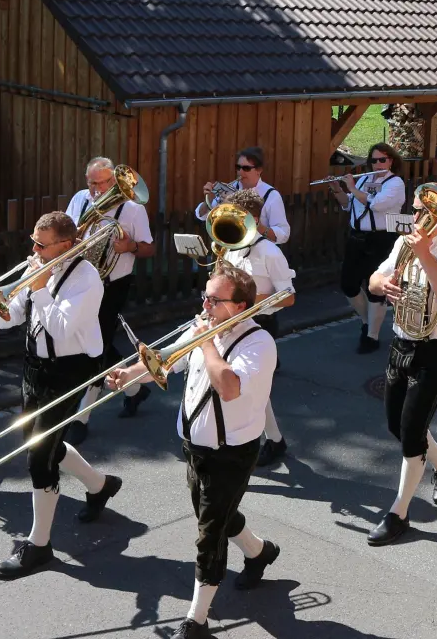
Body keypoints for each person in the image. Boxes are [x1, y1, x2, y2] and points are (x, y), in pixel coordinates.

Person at [105, 266, 280, 637]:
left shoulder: (258, 343)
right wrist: (129, 376)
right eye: (205, 296)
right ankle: (259, 552)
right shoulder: (205, 329)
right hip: (194, 448)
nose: (205, 305)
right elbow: (165, 362)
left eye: (215, 300)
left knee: (209, 535)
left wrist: (206, 343)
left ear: (240, 306)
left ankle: (196, 621)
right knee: (214, 515)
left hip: (231, 452)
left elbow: (229, 387)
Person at [0, 212, 122, 580]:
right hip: (35, 365)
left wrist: (38, 285)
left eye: (41, 244)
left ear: (66, 245)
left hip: (71, 368)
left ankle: (40, 545)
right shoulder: (39, 267)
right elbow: (18, 311)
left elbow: (63, 328)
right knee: (37, 441)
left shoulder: (86, 279)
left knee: (40, 456)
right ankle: (100, 486)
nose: (33, 249)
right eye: (33, 241)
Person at [365, 189, 437, 545]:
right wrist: (384, 284)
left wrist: (425, 256)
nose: (414, 218)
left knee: (412, 433)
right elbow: (372, 281)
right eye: (414, 211)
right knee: (396, 426)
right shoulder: (403, 245)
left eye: (420, 212)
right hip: (401, 342)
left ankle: (399, 513)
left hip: (436, 351)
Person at [66, 157, 155, 446]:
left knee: (97, 347)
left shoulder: (132, 208)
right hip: (81, 279)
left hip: (112, 284)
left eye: (105, 183)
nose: (98, 189)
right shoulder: (80, 199)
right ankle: (133, 390)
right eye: (93, 183)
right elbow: (69, 233)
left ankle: (82, 417)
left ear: (115, 182)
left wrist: (129, 246)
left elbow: (149, 248)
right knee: (91, 341)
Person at [218, 190, 296, 468]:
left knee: (251, 388)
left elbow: (288, 296)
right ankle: (273, 440)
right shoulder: (231, 245)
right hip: (232, 324)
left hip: (259, 325)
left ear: (251, 219)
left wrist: (249, 300)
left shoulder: (270, 252)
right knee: (244, 387)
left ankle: (265, 440)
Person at [330, 143, 406, 353]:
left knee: (376, 289)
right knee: (349, 284)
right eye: (374, 160)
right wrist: (338, 190)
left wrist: (353, 188)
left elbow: (377, 204)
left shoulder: (395, 183)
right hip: (357, 237)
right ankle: (366, 322)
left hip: (381, 239)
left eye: (382, 160)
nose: (378, 164)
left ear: (391, 160)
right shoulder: (364, 179)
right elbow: (348, 204)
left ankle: (372, 336)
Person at [196, 146, 290, 246]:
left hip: (258, 252)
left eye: (246, 168)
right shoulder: (230, 188)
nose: (240, 172)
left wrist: (255, 224)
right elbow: (202, 216)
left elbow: (284, 234)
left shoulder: (271, 196)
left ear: (259, 170)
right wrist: (209, 200)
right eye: (238, 167)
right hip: (230, 248)